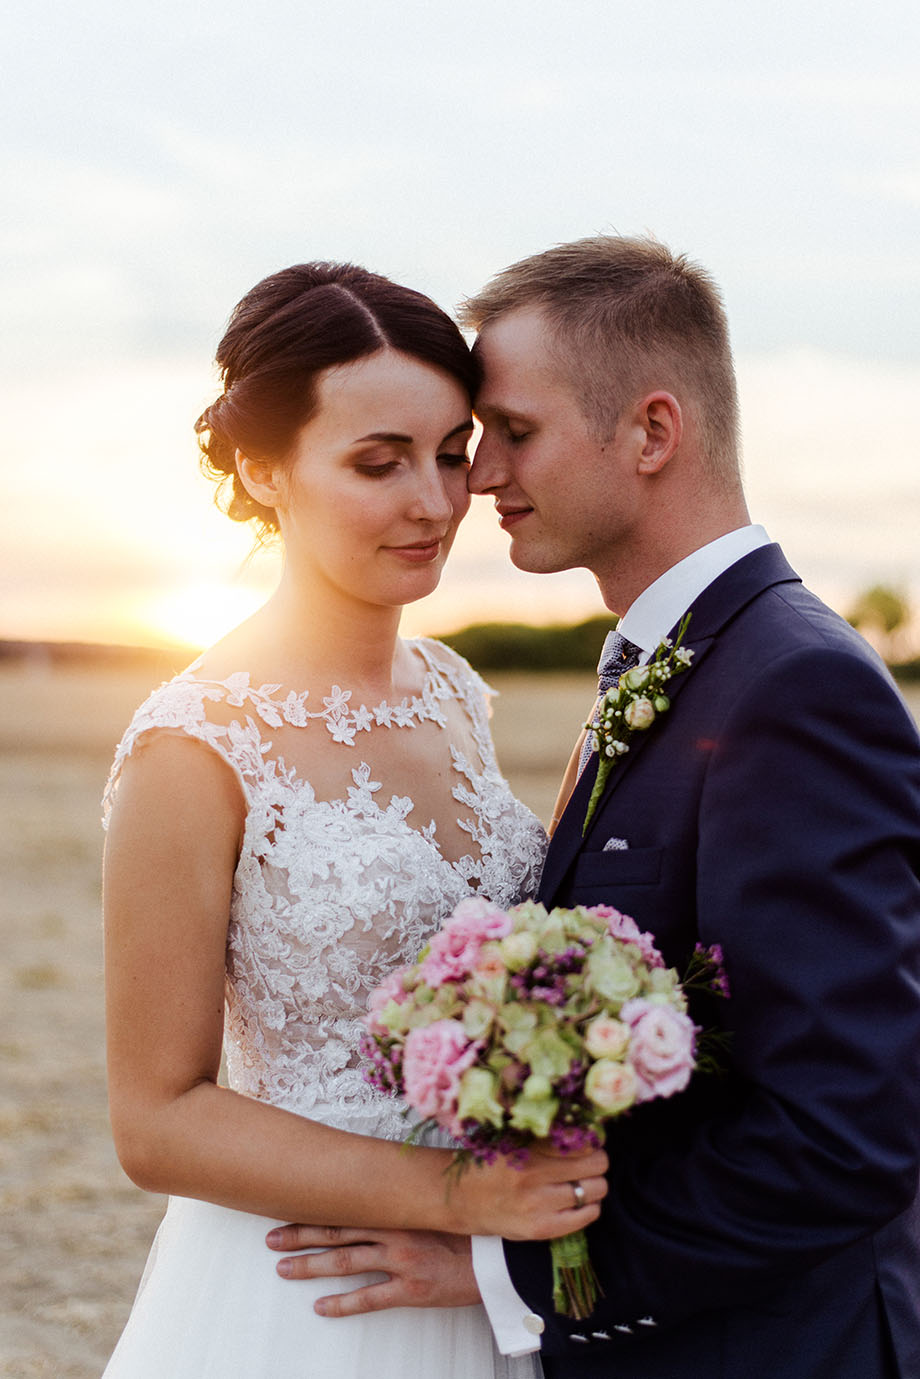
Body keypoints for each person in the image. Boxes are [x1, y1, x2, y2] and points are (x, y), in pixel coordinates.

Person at [268, 237, 920, 1378]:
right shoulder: (672, 661)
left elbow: (842, 1131)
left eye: (510, 433)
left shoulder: (789, 686)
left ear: (652, 432)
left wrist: (515, 1270)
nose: (474, 479)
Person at [99, 261, 610, 1379]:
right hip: (307, 1296)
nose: (432, 502)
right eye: (377, 462)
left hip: (483, 1282)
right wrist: (458, 1194)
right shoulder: (193, 745)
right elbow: (156, 1117)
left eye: (446, 452)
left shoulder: (451, 690)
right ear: (259, 467)